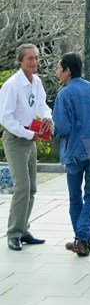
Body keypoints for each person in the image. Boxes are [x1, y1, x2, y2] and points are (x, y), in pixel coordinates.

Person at [52, 53, 90, 256]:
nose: (57, 72)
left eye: (59, 68)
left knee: (75, 197)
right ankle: (83, 238)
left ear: (68, 70)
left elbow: (62, 128)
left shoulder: (64, 94)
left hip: (75, 149)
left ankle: (82, 238)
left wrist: (51, 131)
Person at [0, 44, 53, 251]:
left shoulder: (36, 81)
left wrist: (47, 117)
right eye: (30, 58)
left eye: (36, 58)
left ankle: (23, 229)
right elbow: (6, 118)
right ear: (20, 60)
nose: (34, 62)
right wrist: (29, 134)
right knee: (22, 186)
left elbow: (42, 104)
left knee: (31, 188)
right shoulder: (12, 85)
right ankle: (13, 233)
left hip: (32, 138)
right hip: (16, 139)